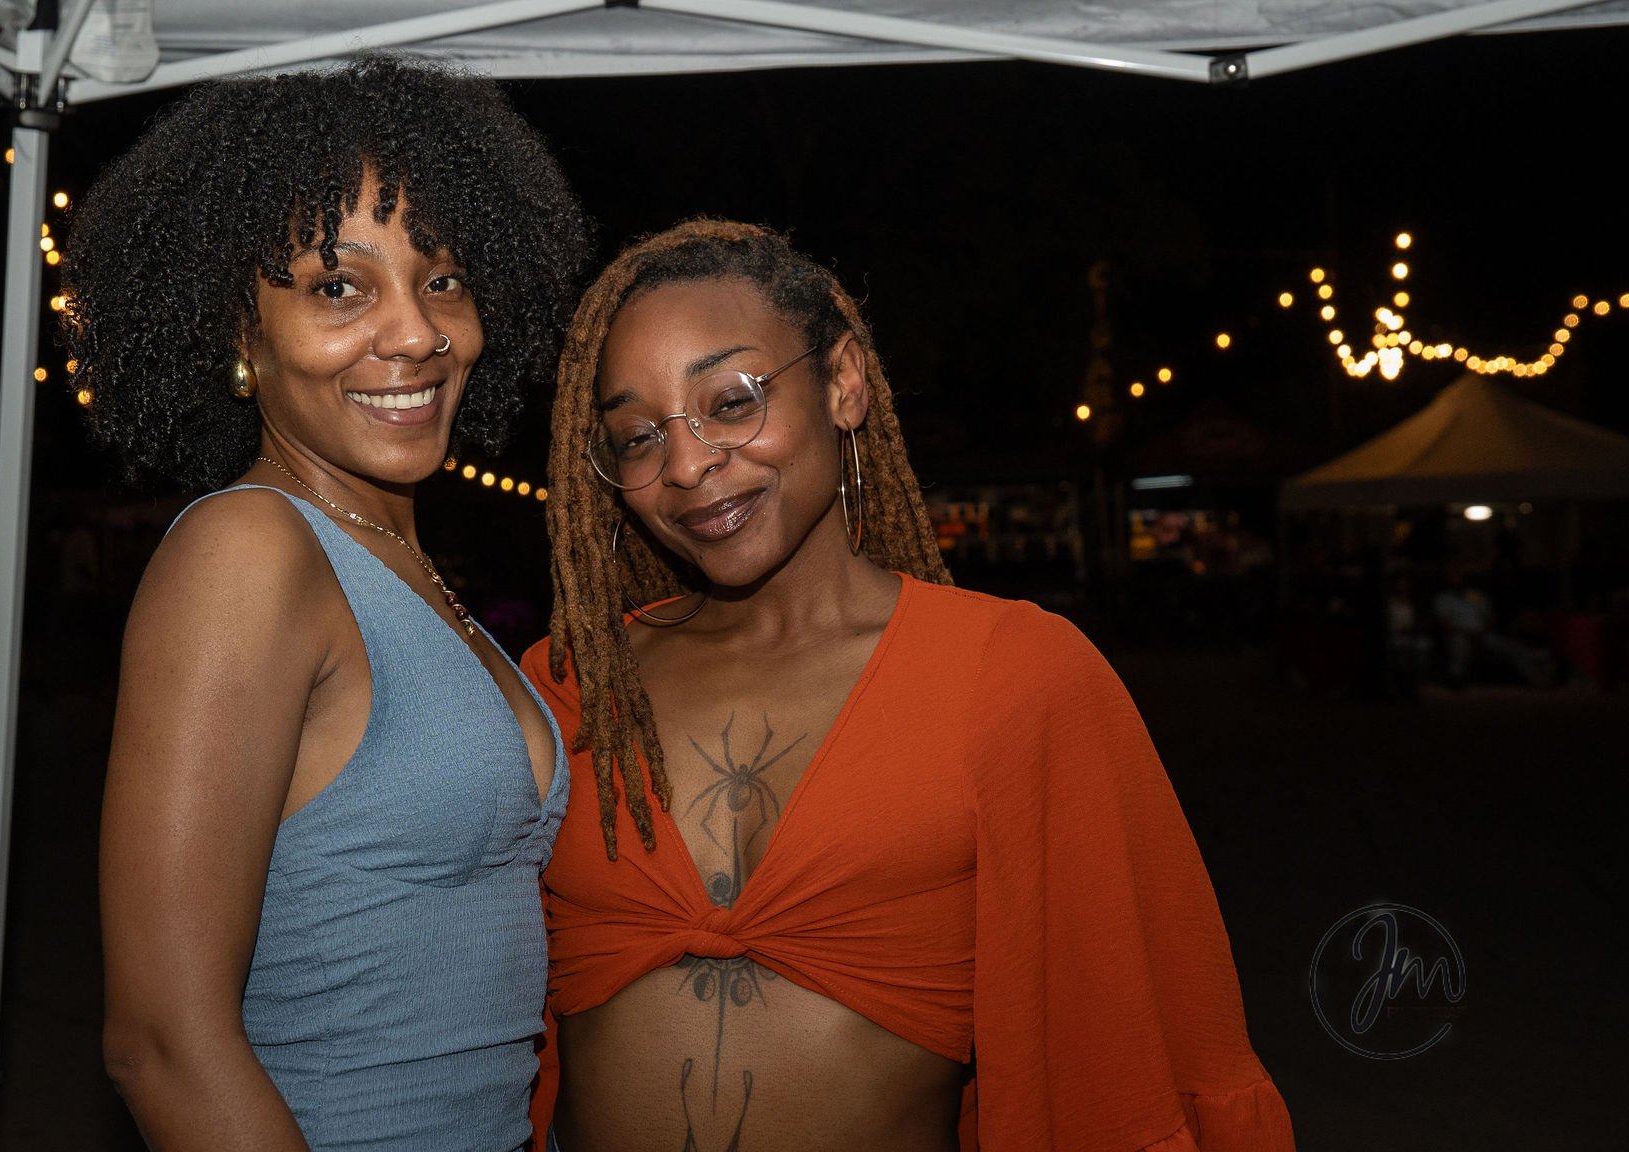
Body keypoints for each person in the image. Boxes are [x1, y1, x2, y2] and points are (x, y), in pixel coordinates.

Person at [520, 220, 1294, 1151]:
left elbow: (1128, 1038)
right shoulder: (568, 684)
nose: (686, 467)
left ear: (843, 382)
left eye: (731, 401)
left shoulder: (1013, 672)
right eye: (638, 436)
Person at [69, 56, 589, 1151]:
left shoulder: (398, 560)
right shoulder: (247, 552)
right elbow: (160, 1041)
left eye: (442, 277)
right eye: (336, 287)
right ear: (239, 333)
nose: (416, 334)